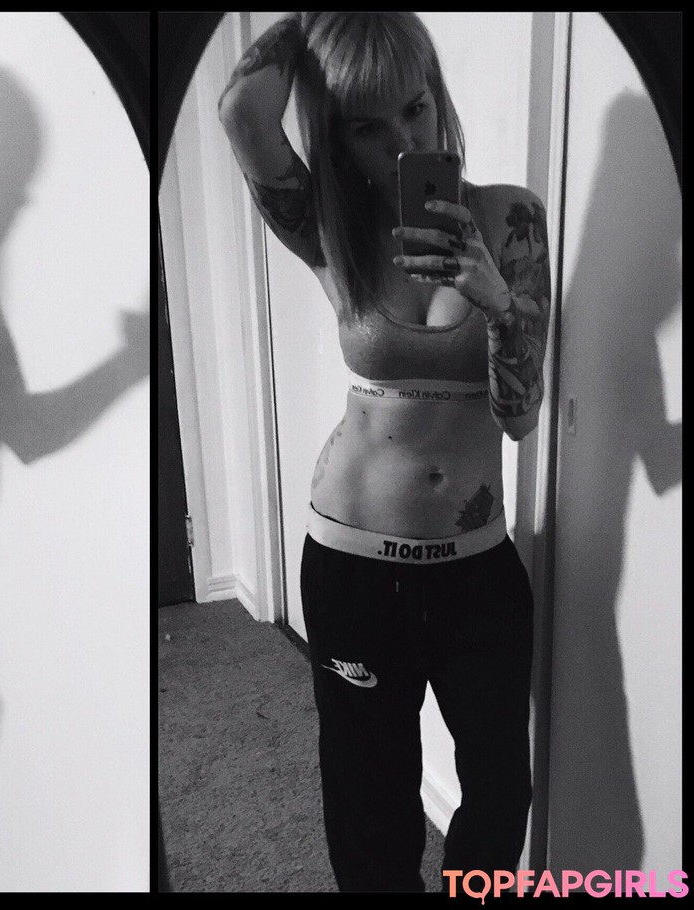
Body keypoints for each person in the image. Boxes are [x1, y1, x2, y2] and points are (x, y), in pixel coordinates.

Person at [218, 12, 550, 892]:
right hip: (355, 566)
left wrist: (499, 304)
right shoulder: (331, 228)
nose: (404, 142)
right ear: (337, 139)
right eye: (368, 126)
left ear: (437, 96)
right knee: (370, 805)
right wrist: (321, 24)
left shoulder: (512, 217)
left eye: (414, 108)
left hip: (477, 571)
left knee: (501, 792)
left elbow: (520, 418)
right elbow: (243, 111)